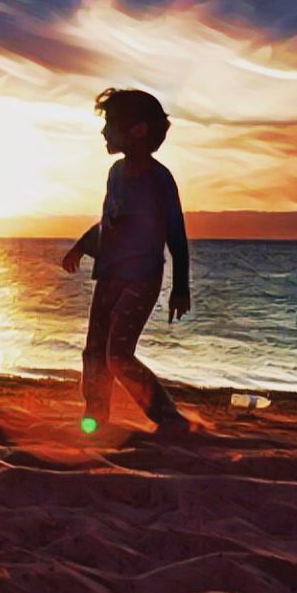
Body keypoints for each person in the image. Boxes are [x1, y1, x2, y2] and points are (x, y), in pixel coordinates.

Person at [62, 88, 192, 436]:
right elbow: (110, 223)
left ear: (138, 131)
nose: (104, 132)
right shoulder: (116, 173)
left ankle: (169, 418)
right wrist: (81, 247)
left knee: (117, 355)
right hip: (109, 276)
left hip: (141, 278)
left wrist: (180, 288)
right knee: (94, 352)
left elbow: (176, 235)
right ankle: (96, 419)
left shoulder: (158, 179)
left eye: (111, 124)